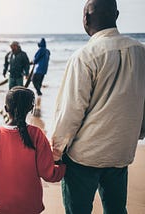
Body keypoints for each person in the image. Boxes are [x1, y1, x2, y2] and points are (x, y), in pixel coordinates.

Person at [51, 0, 145, 213]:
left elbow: (71, 112)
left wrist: (56, 152)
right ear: (116, 15)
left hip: (85, 156)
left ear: (85, 18)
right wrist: (137, 133)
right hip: (121, 152)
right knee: (116, 209)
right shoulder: (141, 52)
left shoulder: (84, 56)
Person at [0, 86, 66, 214]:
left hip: (5, 205)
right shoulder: (37, 134)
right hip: (31, 204)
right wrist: (61, 165)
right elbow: (48, 174)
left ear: (5, 108)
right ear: (30, 109)